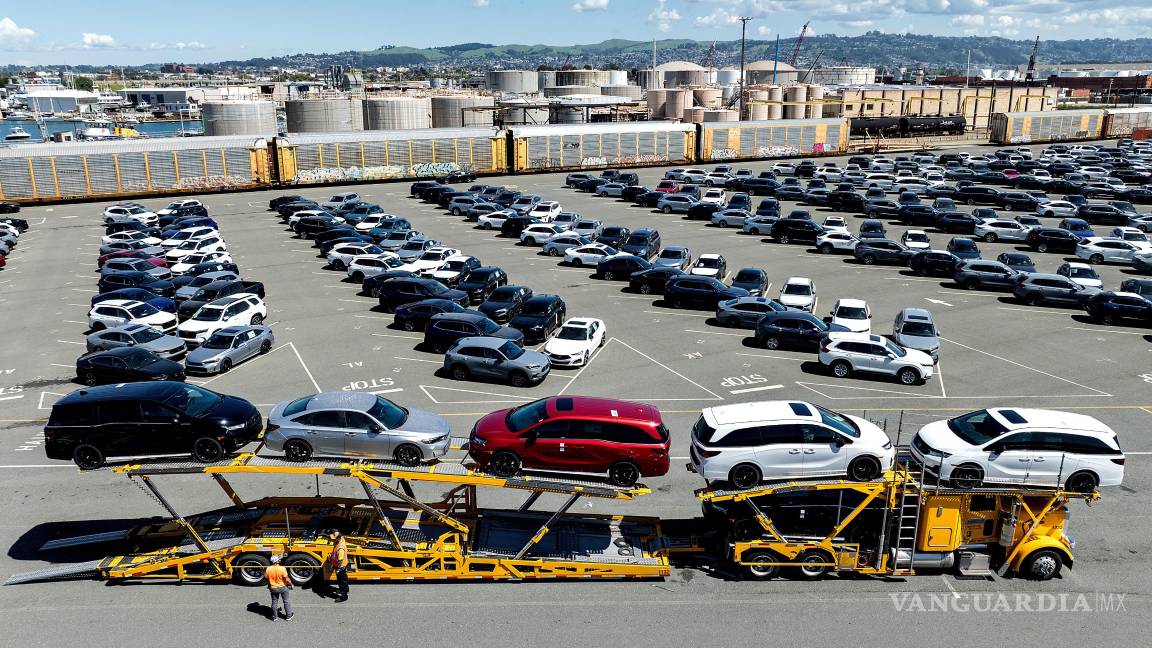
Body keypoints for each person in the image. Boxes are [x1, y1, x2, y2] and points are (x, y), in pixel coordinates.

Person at [266, 554, 294, 621]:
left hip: (273, 588)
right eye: (279, 559)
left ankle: (275, 617)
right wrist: (291, 584)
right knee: (286, 601)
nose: (280, 560)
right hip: (283, 587)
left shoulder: (268, 569)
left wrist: (269, 585)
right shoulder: (282, 568)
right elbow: (287, 579)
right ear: (276, 561)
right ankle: (288, 616)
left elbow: (266, 578)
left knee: (274, 602)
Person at [329, 531, 349, 602]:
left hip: (340, 566)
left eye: (334, 538)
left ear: (338, 538)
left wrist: (338, 569)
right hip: (342, 565)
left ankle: (344, 596)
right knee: (344, 579)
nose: (332, 539)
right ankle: (345, 589)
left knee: (341, 581)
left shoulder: (340, 548)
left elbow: (340, 560)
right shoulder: (341, 539)